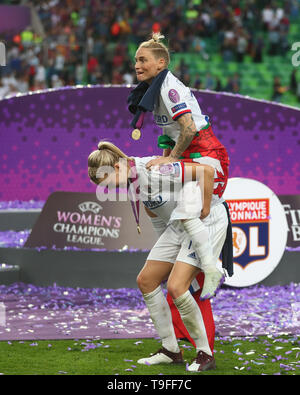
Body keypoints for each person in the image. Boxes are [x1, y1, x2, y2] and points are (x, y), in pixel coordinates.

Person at [88, 141, 230, 372]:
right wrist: (167, 251)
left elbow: (206, 171)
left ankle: (205, 354)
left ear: (116, 168)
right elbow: (153, 210)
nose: (109, 190)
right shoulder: (133, 180)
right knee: (146, 281)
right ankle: (171, 350)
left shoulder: (154, 170)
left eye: (107, 183)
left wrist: (204, 208)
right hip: (177, 227)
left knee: (177, 287)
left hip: (207, 221)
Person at [128, 32, 230, 299]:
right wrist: (166, 156)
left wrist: (171, 159)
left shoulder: (169, 89)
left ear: (161, 63)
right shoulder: (155, 90)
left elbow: (188, 129)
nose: (136, 65)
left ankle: (210, 267)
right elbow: (170, 134)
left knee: (190, 209)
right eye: (135, 61)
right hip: (188, 158)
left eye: (142, 60)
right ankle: (174, 250)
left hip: (207, 158)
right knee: (150, 184)